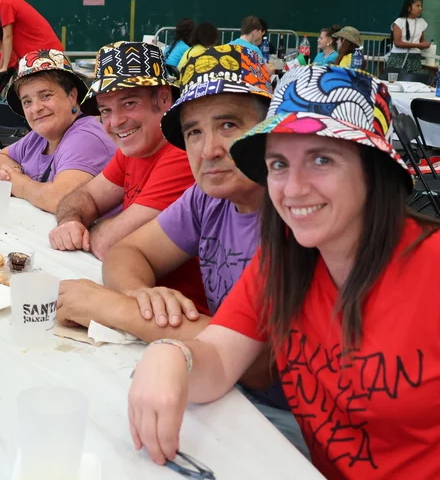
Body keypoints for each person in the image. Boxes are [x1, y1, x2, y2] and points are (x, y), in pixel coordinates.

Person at [128, 64, 440, 480]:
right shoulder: (286, 261)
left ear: (374, 169)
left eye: (322, 159)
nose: (293, 188)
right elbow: (218, 358)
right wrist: (172, 355)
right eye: (278, 164)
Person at [56, 45, 306, 453]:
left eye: (228, 125)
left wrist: (116, 308)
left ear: (269, 129)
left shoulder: (298, 215)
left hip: (287, 424)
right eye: (194, 132)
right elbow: (127, 252)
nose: (208, 150)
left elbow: (260, 364)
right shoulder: (208, 198)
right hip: (220, 392)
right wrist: (139, 295)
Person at [48, 43, 202, 309]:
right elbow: (83, 196)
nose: (116, 122)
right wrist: (71, 220)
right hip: (141, 301)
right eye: (105, 110)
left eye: (129, 103)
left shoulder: (182, 153)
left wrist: (88, 227)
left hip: (182, 314)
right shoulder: (134, 149)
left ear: (164, 99)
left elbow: (110, 244)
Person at [0, 49, 116, 213]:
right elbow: (2, 156)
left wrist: (19, 184)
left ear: (72, 96)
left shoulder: (86, 138)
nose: (36, 108)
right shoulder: (40, 136)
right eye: (27, 102)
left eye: (45, 96)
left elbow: (59, 199)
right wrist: (14, 173)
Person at [387, 0, 430, 75]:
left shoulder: (421, 22)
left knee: (412, 80)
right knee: (395, 79)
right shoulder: (399, 22)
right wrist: (419, 45)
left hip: (415, 58)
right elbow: (397, 43)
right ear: (409, 8)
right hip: (399, 57)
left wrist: (425, 45)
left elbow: (422, 40)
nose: (420, 8)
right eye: (417, 6)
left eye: (421, 6)